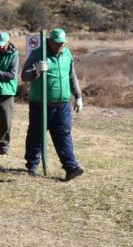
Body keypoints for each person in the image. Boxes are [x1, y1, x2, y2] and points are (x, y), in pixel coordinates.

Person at [21, 28, 85, 181]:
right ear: (50, 41)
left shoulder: (67, 54)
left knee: (63, 135)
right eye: (58, 43)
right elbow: (24, 76)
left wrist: (78, 96)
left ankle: (71, 167)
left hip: (62, 105)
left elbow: (72, 76)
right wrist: (36, 70)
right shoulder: (38, 54)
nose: (61, 46)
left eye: (63, 43)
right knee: (36, 135)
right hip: (40, 104)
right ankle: (32, 165)